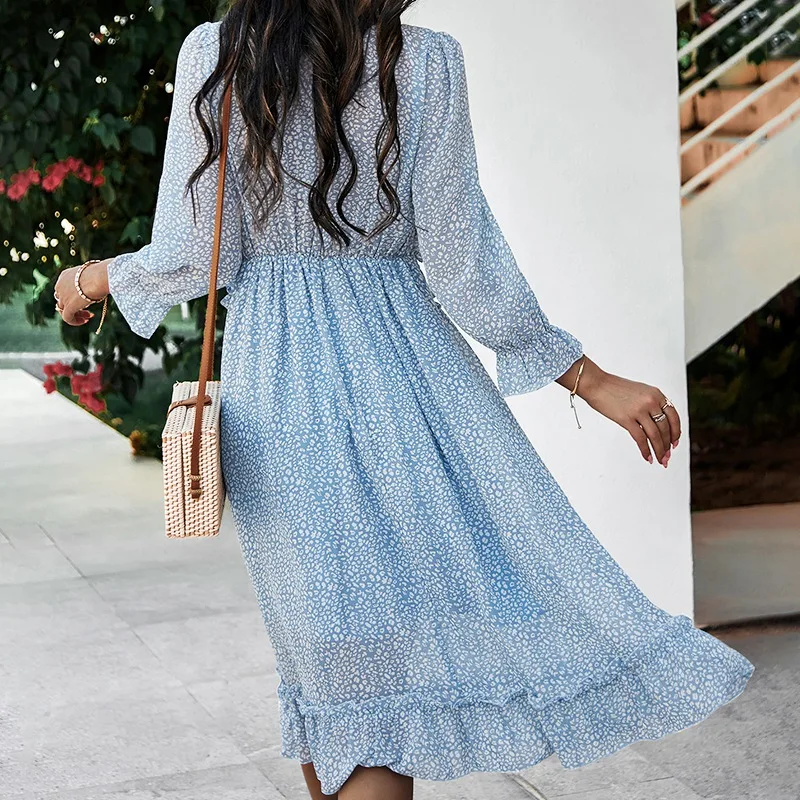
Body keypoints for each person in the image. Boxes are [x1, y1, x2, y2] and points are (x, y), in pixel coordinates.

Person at [54, 3, 754, 799]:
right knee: (363, 674)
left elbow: (193, 257)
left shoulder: (219, 53)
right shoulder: (423, 60)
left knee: (334, 662)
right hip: (409, 379)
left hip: (279, 390)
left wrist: (89, 279)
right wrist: (589, 379)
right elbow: (462, 260)